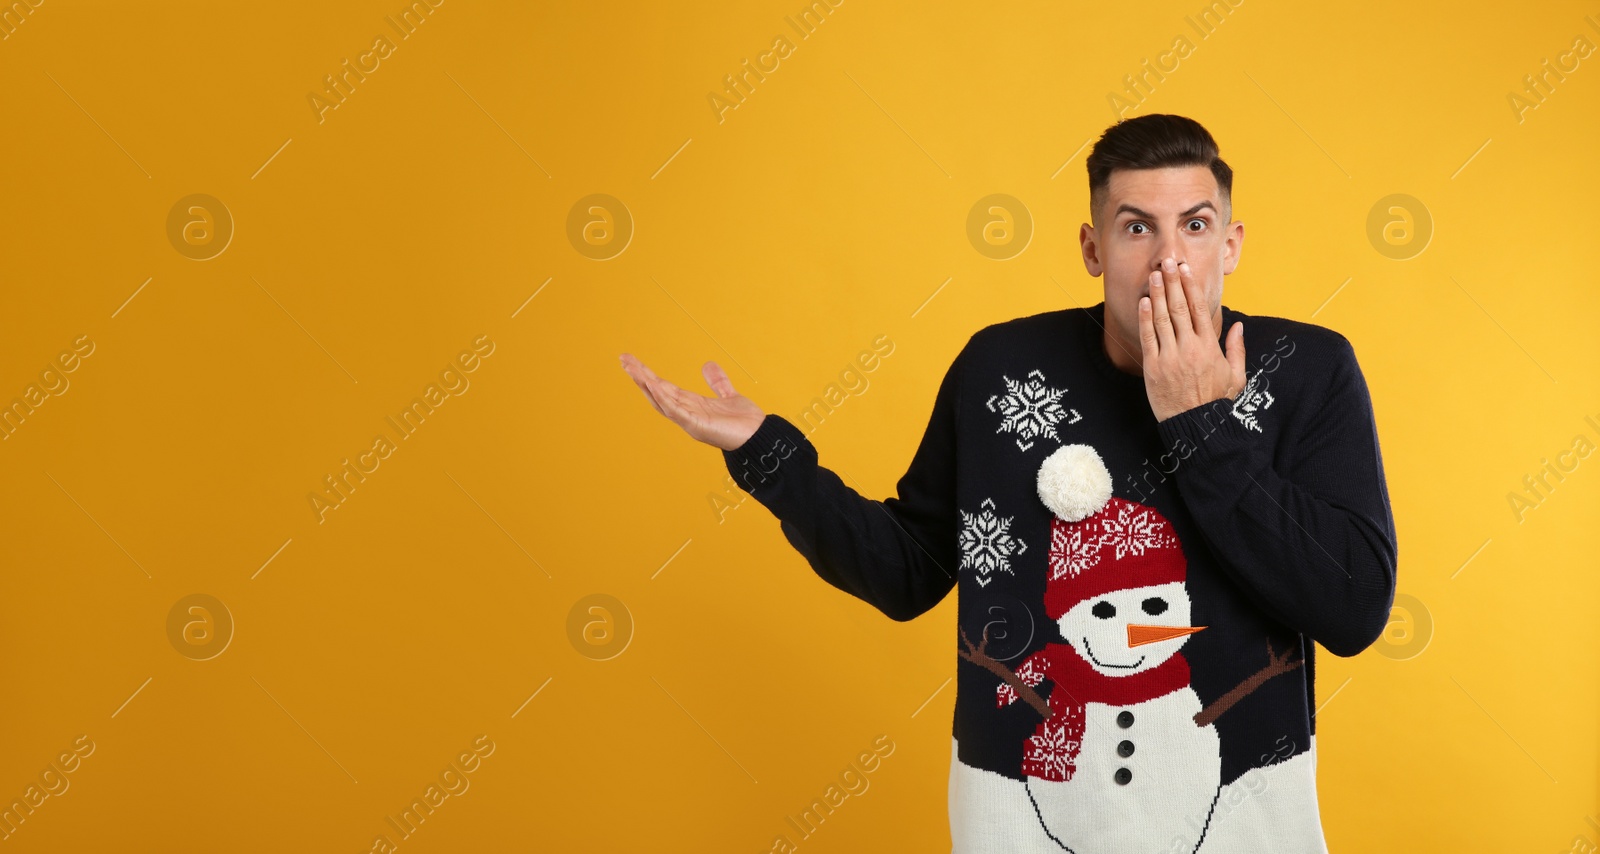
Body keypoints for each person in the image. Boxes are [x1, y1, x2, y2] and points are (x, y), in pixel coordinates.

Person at [619, 113, 1397, 853]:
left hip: (1240, 822)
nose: (1169, 260)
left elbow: (1353, 606)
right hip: (1022, 823)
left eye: (1194, 227)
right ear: (1093, 249)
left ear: (1230, 245)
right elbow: (906, 573)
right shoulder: (1000, 370)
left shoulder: (1307, 372)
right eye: (1136, 228)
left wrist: (1201, 423)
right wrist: (766, 454)